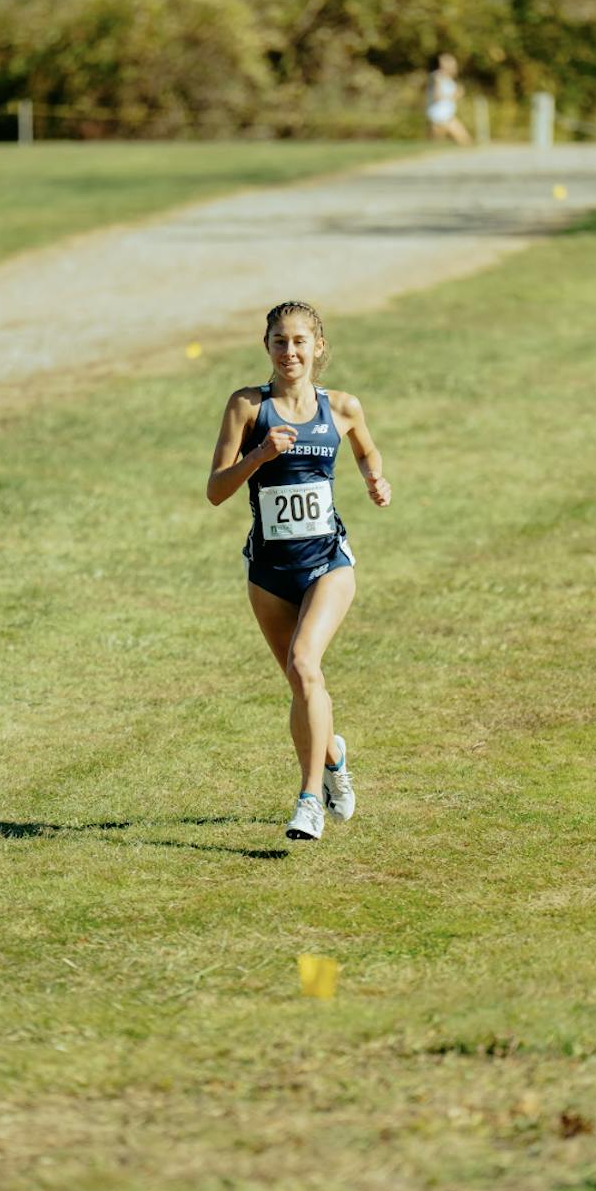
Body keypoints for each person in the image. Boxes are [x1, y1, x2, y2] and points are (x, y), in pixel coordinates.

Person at [207, 300, 391, 841]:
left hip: (328, 563)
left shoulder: (342, 407)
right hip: (268, 570)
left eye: (300, 341)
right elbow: (216, 491)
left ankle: (310, 800)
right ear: (266, 347)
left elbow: (366, 452)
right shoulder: (247, 407)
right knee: (299, 681)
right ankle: (331, 752)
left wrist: (373, 480)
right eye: (280, 341)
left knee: (305, 662)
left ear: (318, 348)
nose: (290, 351)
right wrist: (259, 455)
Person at [426, 52, 471, 146]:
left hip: (446, 114)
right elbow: (437, 96)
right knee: (464, 140)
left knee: (436, 144)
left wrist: (458, 94)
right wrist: (454, 95)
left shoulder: (448, 78)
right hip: (440, 115)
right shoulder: (437, 77)